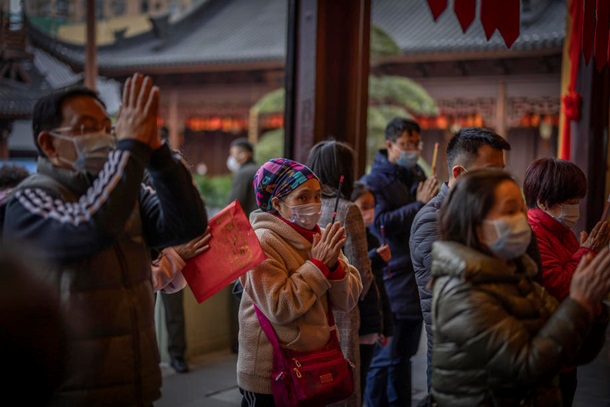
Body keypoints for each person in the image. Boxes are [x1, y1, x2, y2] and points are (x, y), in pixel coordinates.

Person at [0, 73, 208, 405]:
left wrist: (155, 151)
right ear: (48, 143)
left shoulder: (130, 194)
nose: (103, 136)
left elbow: (187, 224)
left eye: (107, 128)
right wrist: (130, 148)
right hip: (68, 392)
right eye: (85, 128)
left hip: (135, 382)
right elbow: (92, 226)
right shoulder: (28, 200)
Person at [430, 168, 610, 406]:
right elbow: (525, 368)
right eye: (510, 210)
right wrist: (578, 303)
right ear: (474, 222)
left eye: (521, 208)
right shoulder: (460, 291)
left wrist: (591, 308)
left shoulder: (516, 273)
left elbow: (572, 352)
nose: (522, 218)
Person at [237, 158, 362, 406]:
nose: (314, 205)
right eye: (302, 198)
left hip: (313, 363)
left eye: (317, 196)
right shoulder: (262, 241)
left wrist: (334, 266)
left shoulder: (321, 235)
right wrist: (317, 267)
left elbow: (347, 300)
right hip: (271, 374)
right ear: (277, 203)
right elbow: (279, 307)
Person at [409, 127, 512, 392]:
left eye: (502, 172)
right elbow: (465, 285)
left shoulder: (485, 214)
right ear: (458, 173)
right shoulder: (432, 219)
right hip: (453, 354)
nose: (499, 181)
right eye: (491, 171)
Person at [360, 117, 438, 406]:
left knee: (404, 357)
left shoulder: (418, 173)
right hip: (392, 277)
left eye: (416, 144)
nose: (413, 150)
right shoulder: (374, 181)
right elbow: (378, 223)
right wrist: (417, 205)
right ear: (389, 144)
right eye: (407, 144)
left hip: (416, 277)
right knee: (385, 359)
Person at [523, 157, 610, 406]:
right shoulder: (533, 234)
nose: (576, 209)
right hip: (548, 347)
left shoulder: (561, 231)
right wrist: (588, 251)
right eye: (570, 202)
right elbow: (559, 287)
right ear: (542, 201)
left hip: (567, 346)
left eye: (577, 201)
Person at [306, 139, 376, 407]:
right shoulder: (347, 210)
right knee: (341, 386)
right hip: (342, 313)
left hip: (307, 306)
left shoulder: (297, 209)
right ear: (344, 170)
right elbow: (362, 271)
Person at [350, 180, 394, 401]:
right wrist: (375, 259)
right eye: (363, 205)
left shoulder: (373, 238)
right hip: (354, 321)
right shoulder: (345, 237)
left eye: (372, 206)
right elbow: (354, 275)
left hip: (370, 323)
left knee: (364, 379)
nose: (369, 212)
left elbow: (379, 288)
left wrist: (385, 326)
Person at [154, 230, 212, 374]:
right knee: (145, 320)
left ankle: (177, 355)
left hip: (170, 252)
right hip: (151, 258)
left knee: (175, 312)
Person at [227, 137, 259, 216]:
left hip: (249, 220)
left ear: (245, 154)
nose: (233, 157)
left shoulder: (243, 173)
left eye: (234, 154)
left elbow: (235, 202)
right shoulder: (259, 169)